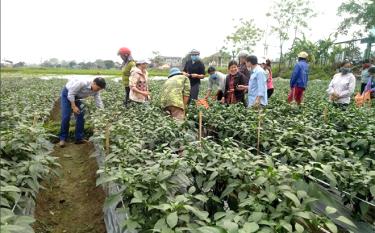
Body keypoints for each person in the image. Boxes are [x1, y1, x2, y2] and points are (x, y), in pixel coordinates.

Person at [59, 77, 106, 147]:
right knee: (66, 116)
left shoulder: (96, 91)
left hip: (78, 98)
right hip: (67, 94)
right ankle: (63, 138)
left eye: (100, 89)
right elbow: (71, 94)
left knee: (81, 116)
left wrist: (103, 113)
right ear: (94, 83)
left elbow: (98, 101)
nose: (98, 90)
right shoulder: (82, 83)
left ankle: (79, 138)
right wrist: (74, 106)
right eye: (98, 88)